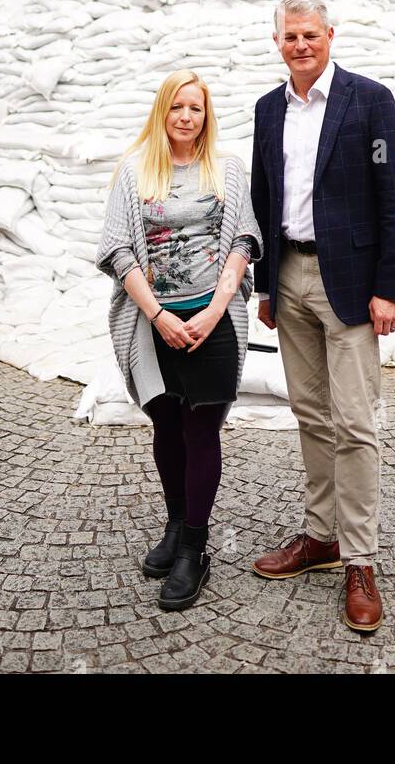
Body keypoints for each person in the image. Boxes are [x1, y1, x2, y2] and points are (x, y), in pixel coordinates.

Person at [249, 0, 395, 632]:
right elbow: (266, 196)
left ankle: (360, 559)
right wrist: (266, 285)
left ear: (330, 36)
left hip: (348, 283)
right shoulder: (269, 110)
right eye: (291, 36)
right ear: (278, 41)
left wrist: (390, 289)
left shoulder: (368, 100)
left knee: (355, 422)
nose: (301, 45)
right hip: (288, 275)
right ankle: (319, 537)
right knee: (310, 414)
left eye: (311, 35)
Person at [95, 69, 263, 611]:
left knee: (202, 426)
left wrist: (215, 311)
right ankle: (174, 523)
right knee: (166, 423)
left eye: (196, 108)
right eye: (177, 108)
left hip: (212, 318)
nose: (186, 117)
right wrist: (159, 314)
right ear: (162, 113)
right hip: (153, 322)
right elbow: (118, 250)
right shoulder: (135, 172)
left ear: (206, 115)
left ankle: (195, 546)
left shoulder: (228, 170)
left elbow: (243, 239)